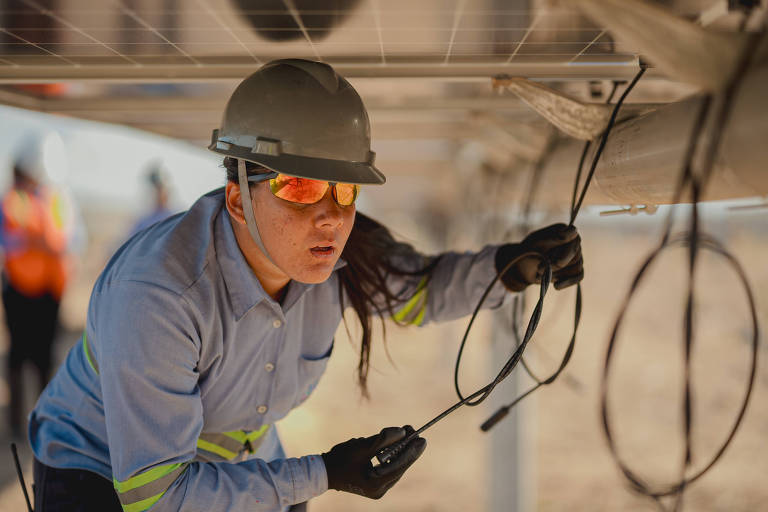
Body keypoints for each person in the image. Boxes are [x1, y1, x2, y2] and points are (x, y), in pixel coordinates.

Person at [28, 59, 583, 512]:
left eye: (345, 192)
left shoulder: (342, 251)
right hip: (107, 473)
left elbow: (421, 292)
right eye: (300, 187)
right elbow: (157, 495)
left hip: (237, 456)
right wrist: (320, 474)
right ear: (238, 197)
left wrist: (515, 265)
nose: (332, 218)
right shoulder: (159, 295)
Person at [0, 133, 78, 438]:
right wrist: (37, 242)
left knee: (46, 359)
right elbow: (10, 238)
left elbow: (69, 238)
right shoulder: (12, 200)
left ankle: (46, 420)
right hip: (19, 291)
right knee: (20, 358)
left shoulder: (57, 199)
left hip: (49, 293)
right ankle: (17, 425)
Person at [127, 163, 175, 238]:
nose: (160, 195)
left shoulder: (174, 219)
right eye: (157, 192)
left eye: (162, 191)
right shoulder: (144, 221)